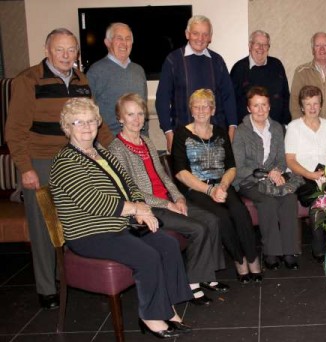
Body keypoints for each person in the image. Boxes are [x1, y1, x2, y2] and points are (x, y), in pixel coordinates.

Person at [50, 97, 191, 338]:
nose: (86, 127)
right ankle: (150, 315)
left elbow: (129, 184)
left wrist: (142, 207)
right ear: (66, 127)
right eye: (78, 122)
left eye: (91, 121)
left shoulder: (100, 152)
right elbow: (93, 201)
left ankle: (168, 306)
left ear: (99, 123)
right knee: (147, 256)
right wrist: (137, 210)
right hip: (90, 233)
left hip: (118, 224)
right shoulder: (65, 162)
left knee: (166, 244)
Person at [5, 28, 113, 310]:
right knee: (43, 225)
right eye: (60, 50)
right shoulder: (28, 80)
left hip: (75, 160)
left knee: (74, 218)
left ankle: (65, 275)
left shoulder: (82, 80)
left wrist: (116, 150)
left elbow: (94, 121)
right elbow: (15, 131)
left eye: (71, 50)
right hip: (41, 161)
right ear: (47, 50)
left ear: (77, 52)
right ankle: (46, 288)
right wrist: (25, 169)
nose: (66, 56)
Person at [108, 93, 229, 304]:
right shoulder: (116, 149)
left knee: (212, 219)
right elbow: (130, 190)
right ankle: (192, 285)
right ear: (120, 118)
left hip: (168, 201)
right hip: (149, 208)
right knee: (198, 228)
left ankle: (206, 275)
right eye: (130, 115)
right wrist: (167, 204)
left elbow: (163, 175)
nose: (136, 119)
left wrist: (179, 198)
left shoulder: (145, 141)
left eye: (139, 114)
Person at [171, 89, 262, 283]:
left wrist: (223, 185)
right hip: (197, 188)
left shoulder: (220, 132)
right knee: (221, 216)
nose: (202, 110)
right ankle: (239, 259)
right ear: (191, 110)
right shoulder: (181, 133)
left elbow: (231, 165)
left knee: (239, 210)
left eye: (206, 106)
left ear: (213, 110)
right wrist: (210, 190)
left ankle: (253, 257)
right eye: (197, 106)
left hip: (222, 183)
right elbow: (180, 172)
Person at [233, 86, 300, 270]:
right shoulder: (241, 131)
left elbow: (280, 159)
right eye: (256, 106)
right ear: (249, 108)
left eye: (264, 105)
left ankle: (289, 251)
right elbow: (239, 166)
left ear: (269, 106)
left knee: (289, 198)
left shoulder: (277, 128)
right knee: (267, 201)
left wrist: (277, 172)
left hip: (273, 177)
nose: (260, 110)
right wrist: (265, 174)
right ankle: (271, 252)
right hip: (248, 180)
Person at [285, 85, 326, 263]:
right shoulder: (294, 127)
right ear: (302, 106)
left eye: (316, 103)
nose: (312, 108)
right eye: (308, 104)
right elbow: (290, 160)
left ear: (321, 105)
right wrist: (310, 174)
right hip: (303, 176)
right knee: (318, 203)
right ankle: (319, 247)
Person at [156, 15, 237, 150]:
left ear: (210, 37)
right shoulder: (173, 60)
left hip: (216, 137)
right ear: (187, 34)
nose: (200, 38)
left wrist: (231, 130)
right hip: (183, 137)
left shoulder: (217, 61)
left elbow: (229, 97)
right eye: (196, 33)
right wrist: (168, 134)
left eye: (205, 34)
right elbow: (162, 99)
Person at [87, 22, 148, 135]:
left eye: (128, 39)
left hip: (138, 141)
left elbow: (143, 111)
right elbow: (89, 113)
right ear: (107, 42)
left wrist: (146, 139)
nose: (124, 43)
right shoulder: (96, 71)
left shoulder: (139, 71)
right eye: (119, 38)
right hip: (109, 143)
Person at [230, 30, 291, 126]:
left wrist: (286, 124)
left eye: (265, 45)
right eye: (257, 44)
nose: (261, 48)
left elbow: (286, 96)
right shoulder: (239, 69)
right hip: (248, 132)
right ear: (250, 45)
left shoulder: (277, 65)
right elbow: (231, 101)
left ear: (268, 48)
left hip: (276, 129)